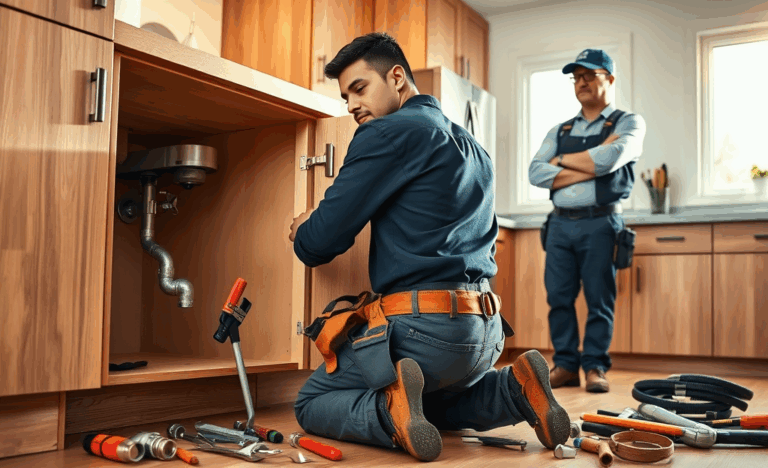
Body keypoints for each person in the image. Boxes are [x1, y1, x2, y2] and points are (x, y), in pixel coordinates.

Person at [288, 33, 570, 462]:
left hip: (425, 334)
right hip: (486, 334)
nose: (350, 106)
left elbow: (318, 243)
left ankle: (388, 411)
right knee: (429, 404)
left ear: (397, 77)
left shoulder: (387, 133)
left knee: (310, 403)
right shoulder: (473, 146)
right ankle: (515, 390)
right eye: (345, 96)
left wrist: (305, 225)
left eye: (359, 88)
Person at [528, 49, 646, 393]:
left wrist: (561, 163)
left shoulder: (627, 122)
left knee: (600, 299)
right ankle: (565, 365)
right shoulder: (560, 129)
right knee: (558, 298)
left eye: (589, 75)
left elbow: (610, 160)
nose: (580, 82)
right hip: (560, 225)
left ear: (608, 79)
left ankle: (595, 366)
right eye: (575, 77)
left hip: (602, 224)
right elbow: (536, 173)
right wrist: (583, 164)